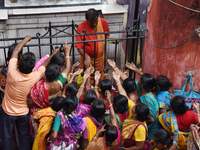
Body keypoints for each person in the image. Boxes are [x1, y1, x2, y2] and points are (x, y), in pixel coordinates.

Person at [0, 35, 56, 150]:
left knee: (6, 137)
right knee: (24, 138)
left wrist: (26, 39)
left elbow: (15, 51)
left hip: (8, 112)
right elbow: (44, 65)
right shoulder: (34, 76)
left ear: (18, 63)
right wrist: (53, 54)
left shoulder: (11, 71)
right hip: (23, 112)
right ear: (31, 68)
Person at [125, 62, 160, 140]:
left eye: (139, 79)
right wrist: (135, 70)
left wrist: (135, 120)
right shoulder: (145, 89)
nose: (138, 80)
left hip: (151, 133)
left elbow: (151, 119)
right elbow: (126, 80)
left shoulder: (147, 99)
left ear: (142, 85)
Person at [75, 8, 111, 81]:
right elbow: (79, 47)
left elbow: (106, 38)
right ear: (87, 20)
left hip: (100, 60)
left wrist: (111, 40)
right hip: (88, 61)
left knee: (99, 78)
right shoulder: (81, 27)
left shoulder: (103, 22)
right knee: (87, 77)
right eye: (92, 22)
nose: (94, 24)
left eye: (96, 21)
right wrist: (86, 56)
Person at [116, 0, 150, 66]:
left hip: (132, 25)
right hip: (144, 26)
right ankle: (142, 65)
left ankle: (132, 65)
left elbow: (119, 1)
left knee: (132, 48)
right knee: (143, 48)